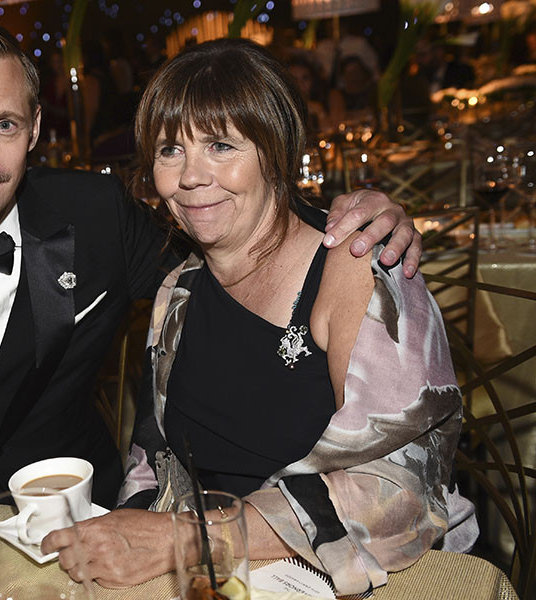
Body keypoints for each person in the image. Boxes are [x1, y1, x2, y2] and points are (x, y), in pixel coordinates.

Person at [0, 20, 422, 508]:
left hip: (95, 514)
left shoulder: (94, 213)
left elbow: (230, 253)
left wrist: (350, 217)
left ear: (36, 126)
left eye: (6, 125)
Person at [43, 38, 476, 595]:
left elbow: (400, 490)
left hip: (364, 574)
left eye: (221, 145)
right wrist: (136, 534)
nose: (191, 176)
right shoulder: (178, 292)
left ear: (276, 151)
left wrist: (186, 538)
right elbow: (156, 456)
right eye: (170, 150)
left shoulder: (354, 268)